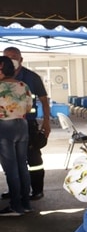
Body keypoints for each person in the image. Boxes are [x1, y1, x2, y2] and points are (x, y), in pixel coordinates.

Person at [2, 46, 49, 201]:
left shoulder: (31, 77)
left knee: (33, 159)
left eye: (14, 57)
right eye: (7, 57)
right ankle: (17, 191)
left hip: (27, 125)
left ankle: (36, 190)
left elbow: (43, 100)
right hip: (10, 126)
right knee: (13, 162)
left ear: (21, 59)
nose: (11, 60)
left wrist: (46, 123)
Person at [0, 56, 33, 216]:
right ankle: (26, 204)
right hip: (22, 126)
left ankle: (15, 206)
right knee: (22, 166)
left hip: (4, 127)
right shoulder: (23, 85)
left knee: (10, 169)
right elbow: (28, 108)